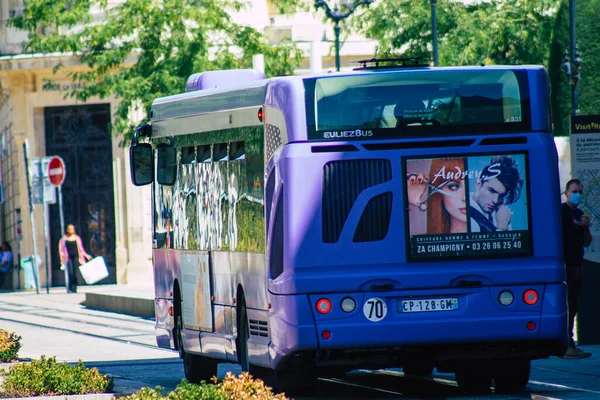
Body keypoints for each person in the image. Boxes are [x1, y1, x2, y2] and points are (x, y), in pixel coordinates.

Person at [561, 179, 592, 359]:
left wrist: (586, 228)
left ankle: (569, 342)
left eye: (580, 192)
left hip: (576, 263)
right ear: (566, 193)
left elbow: (586, 242)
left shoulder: (580, 214)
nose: (577, 195)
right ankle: (566, 343)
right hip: (565, 263)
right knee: (567, 302)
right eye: (574, 191)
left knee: (573, 303)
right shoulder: (561, 211)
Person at [406, 158, 468, 234]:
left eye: (470, 185)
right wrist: (401, 198)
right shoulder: (420, 244)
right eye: (454, 186)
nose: (465, 198)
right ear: (440, 194)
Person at [469, 156, 523, 232]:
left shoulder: (500, 214)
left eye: (501, 195)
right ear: (479, 184)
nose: (495, 200)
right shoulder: (465, 216)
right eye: (491, 191)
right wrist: (502, 228)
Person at [59, 224, 92, 293]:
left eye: (73, 229)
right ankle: (69, 287)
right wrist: (62, 259)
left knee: (74, 273)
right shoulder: (63, 239)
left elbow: (81, 249)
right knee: (70, 272)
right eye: (70, 229)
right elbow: (61, 250)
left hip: (76, 257)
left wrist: (86, 255)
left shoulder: (77, 238)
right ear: (67, 230)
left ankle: (74, 288)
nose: (72, 230)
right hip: (68, 258)